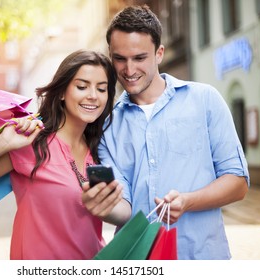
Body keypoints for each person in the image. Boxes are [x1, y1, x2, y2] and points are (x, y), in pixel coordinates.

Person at [83, 5, 250, 260]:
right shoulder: (106, 124)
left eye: (139, 58)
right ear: (110, 55)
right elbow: (124, 208)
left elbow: (238, 183)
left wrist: (188, 201)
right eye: (120, 59)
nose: (129, 70)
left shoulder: (205, 100)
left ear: (159, 53)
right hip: (139, 262)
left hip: (201, 258)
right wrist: (103, 206)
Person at [0, 50, 124, 260]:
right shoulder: (32, 143)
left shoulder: (101, 150)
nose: (93, 95)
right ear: (62, 92)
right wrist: (3, 143)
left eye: (102, 89)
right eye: (82, 86)